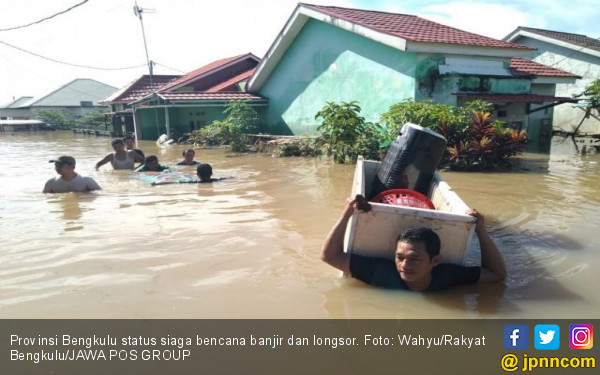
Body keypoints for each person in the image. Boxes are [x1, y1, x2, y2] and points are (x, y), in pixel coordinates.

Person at [320, 196, 506, 291]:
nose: (404, 265)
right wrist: (346, 215)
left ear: (435, 261)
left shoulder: (447, 276)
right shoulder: (380, 272)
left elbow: (497, 275)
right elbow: (329, 256)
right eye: (399, 257)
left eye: (414, 259)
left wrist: (480, 231)